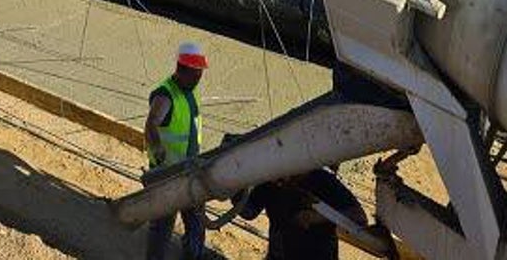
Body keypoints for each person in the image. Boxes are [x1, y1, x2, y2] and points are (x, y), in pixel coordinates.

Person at [145, 41, 208, 260]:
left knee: (196, 226)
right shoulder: (165, 95)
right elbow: (152, 123)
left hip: (190, 171)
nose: (199, 78)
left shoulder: (190, 91)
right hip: (169, 176)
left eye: (201, 73)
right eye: (196, 73)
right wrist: (157, 150)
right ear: (182, 69)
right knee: (162, 228)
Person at [236, 169, 368, 260]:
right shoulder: (270, 181)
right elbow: (249, 212)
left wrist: (316, 217)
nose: (282, 182)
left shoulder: (323, 180)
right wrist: (233, 189)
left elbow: (359, 217)